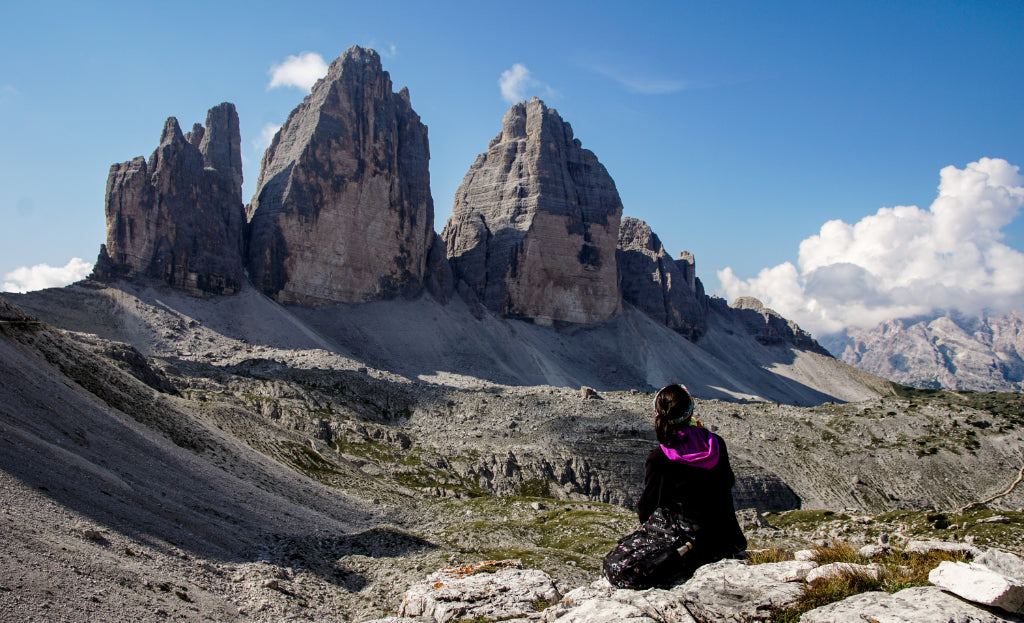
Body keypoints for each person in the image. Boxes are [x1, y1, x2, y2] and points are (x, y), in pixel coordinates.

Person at [636, 383, 747, 583]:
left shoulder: (659, 458)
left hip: (691, 551)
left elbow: (645, 510)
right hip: (727, 542)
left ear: (658, 415)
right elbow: (727, 482)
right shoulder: (716, 444)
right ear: (690, 413)